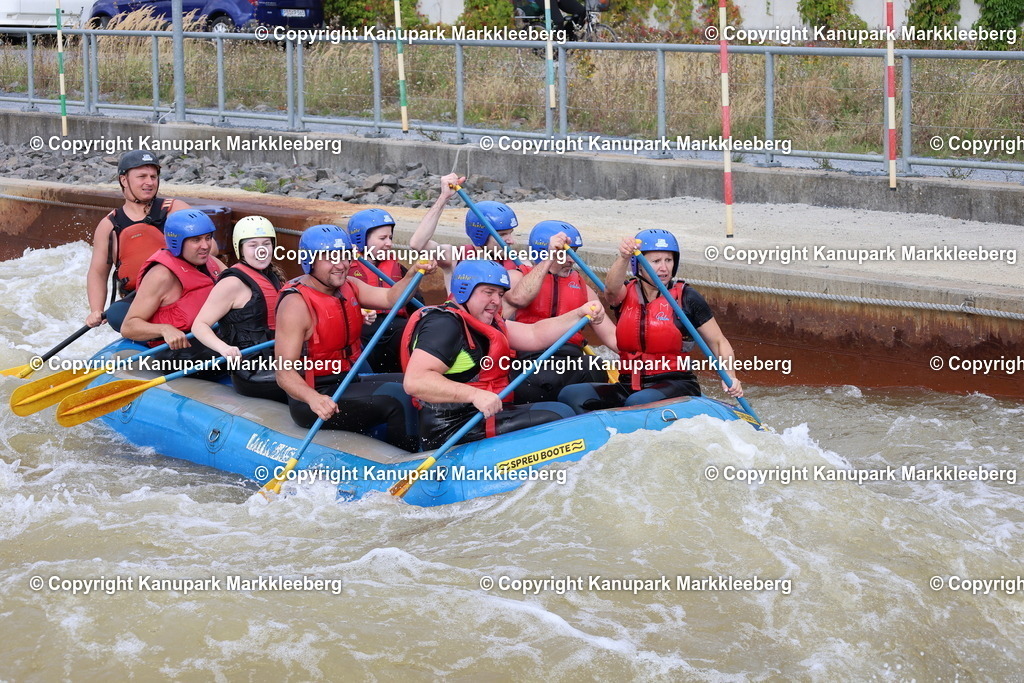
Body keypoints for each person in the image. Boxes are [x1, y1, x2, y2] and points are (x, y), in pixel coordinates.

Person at [402, 260, 604, 451]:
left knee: (560, 408)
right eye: (489, 292)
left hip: (480, 413)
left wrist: (578, 313)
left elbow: (535, 334)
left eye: (500, 294)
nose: (496, 302)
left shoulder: (488, 322)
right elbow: (416, 381)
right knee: (558, 415)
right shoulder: (444, 325)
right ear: (464, 291)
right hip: (450, 427)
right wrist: (474, 395)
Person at [274, 225, 431, 451]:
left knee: (416, 382)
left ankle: (433, 446)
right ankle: (406, 461)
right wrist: (313, 399)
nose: (341, 265)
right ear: (310, 261)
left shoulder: (350, 285)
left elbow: (390, 298)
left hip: (348, 381)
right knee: (398, 397)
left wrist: (414, 272)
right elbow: (283, 372)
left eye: (345, 256)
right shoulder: (295, 304)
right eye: (331, 259)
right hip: (316, 396)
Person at [559, 229, 744, 414]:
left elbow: (719, 342)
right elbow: (610, 291)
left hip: (676, 383)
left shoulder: (687, 297)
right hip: (629, 384)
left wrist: (730, 376)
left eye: (668, 260)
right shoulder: (625, 293)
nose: (664, 268)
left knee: (638, 401)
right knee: (572, 394)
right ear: (638, 265)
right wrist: (623, 257)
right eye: (656, 262)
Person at [504, 220, 618, 402]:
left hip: (571, 361)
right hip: (530, 362)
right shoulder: (516, 276)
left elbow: (613, 337)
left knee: (594, 365)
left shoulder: (583, 288)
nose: (572, 260)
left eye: (574, 253)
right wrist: (549, 258)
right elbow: (519, 298)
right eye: (564, 253)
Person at [86, 150, 192, 331]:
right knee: (117, 314)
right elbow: (97, 273)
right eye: (141, 176)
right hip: (138, 304)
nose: (149, 182)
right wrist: (96, 310)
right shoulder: (110, 226)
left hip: (179, 297)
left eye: (153, 176)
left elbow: (209, 248)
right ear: (124, 180)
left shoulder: (175, 210)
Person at [120, 209, 226, 375]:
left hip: (210, 336)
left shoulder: (213, 263)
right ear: (178, 242)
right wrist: (164, 329)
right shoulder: (161, 276)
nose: (205, 246)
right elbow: (128, 327)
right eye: (196, 240)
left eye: (208, 238)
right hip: (178, 350)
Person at [192, 216, 287, 401]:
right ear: (240, 248)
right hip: (251, 369)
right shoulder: (232, 283)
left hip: (278, 357)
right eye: (253, 245)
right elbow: (199, 325)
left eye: (266, 244)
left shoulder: (273, 276)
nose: (261, 250)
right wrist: (224, 348)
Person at [408, 173, 532, 310]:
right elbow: (417, 244)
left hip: (500, 328)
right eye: (502, 235)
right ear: (480, 235)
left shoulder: (521, 263)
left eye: (510, 233)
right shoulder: (455, 256)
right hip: (461, 327)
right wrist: (444, 198)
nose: (511, 241)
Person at [346, 208, 419, 373]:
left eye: (390, 238)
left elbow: (416, 306)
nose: (389, 243)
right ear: (361, 239)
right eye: (382, 238)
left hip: (395, 328)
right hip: (364, 331)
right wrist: (359, 313)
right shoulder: (343, 270)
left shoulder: (399, 269)